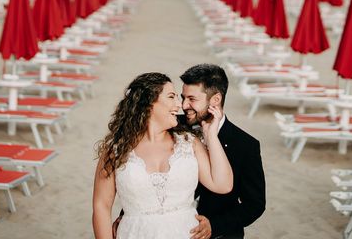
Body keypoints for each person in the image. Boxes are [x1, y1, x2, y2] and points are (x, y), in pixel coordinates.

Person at [92, 72, 233, 239]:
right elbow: (101, 206)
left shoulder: (189, 143)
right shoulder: (116, 150)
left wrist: (211, 137)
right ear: (149, 102)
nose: (179, 105)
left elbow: (222, 185)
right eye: (172, 97)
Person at [181, 64, 266, 239]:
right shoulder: (174, 127)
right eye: (183, 97)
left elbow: (254, 204)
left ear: (215, 100)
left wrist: (215, 226)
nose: (184, 105)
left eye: (191, 99)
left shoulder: (245, 145)